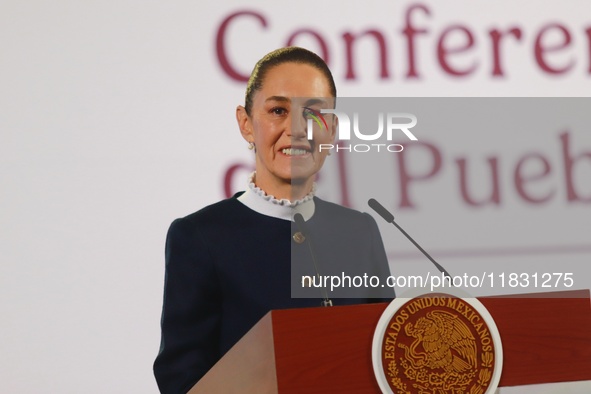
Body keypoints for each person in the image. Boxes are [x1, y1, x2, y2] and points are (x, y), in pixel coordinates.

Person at [153, 47, 393, 394]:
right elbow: (181, 379)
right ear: (246, 123)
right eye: (278, 110)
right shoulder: (200, 236)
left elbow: (388, 358)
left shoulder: (360, 231)